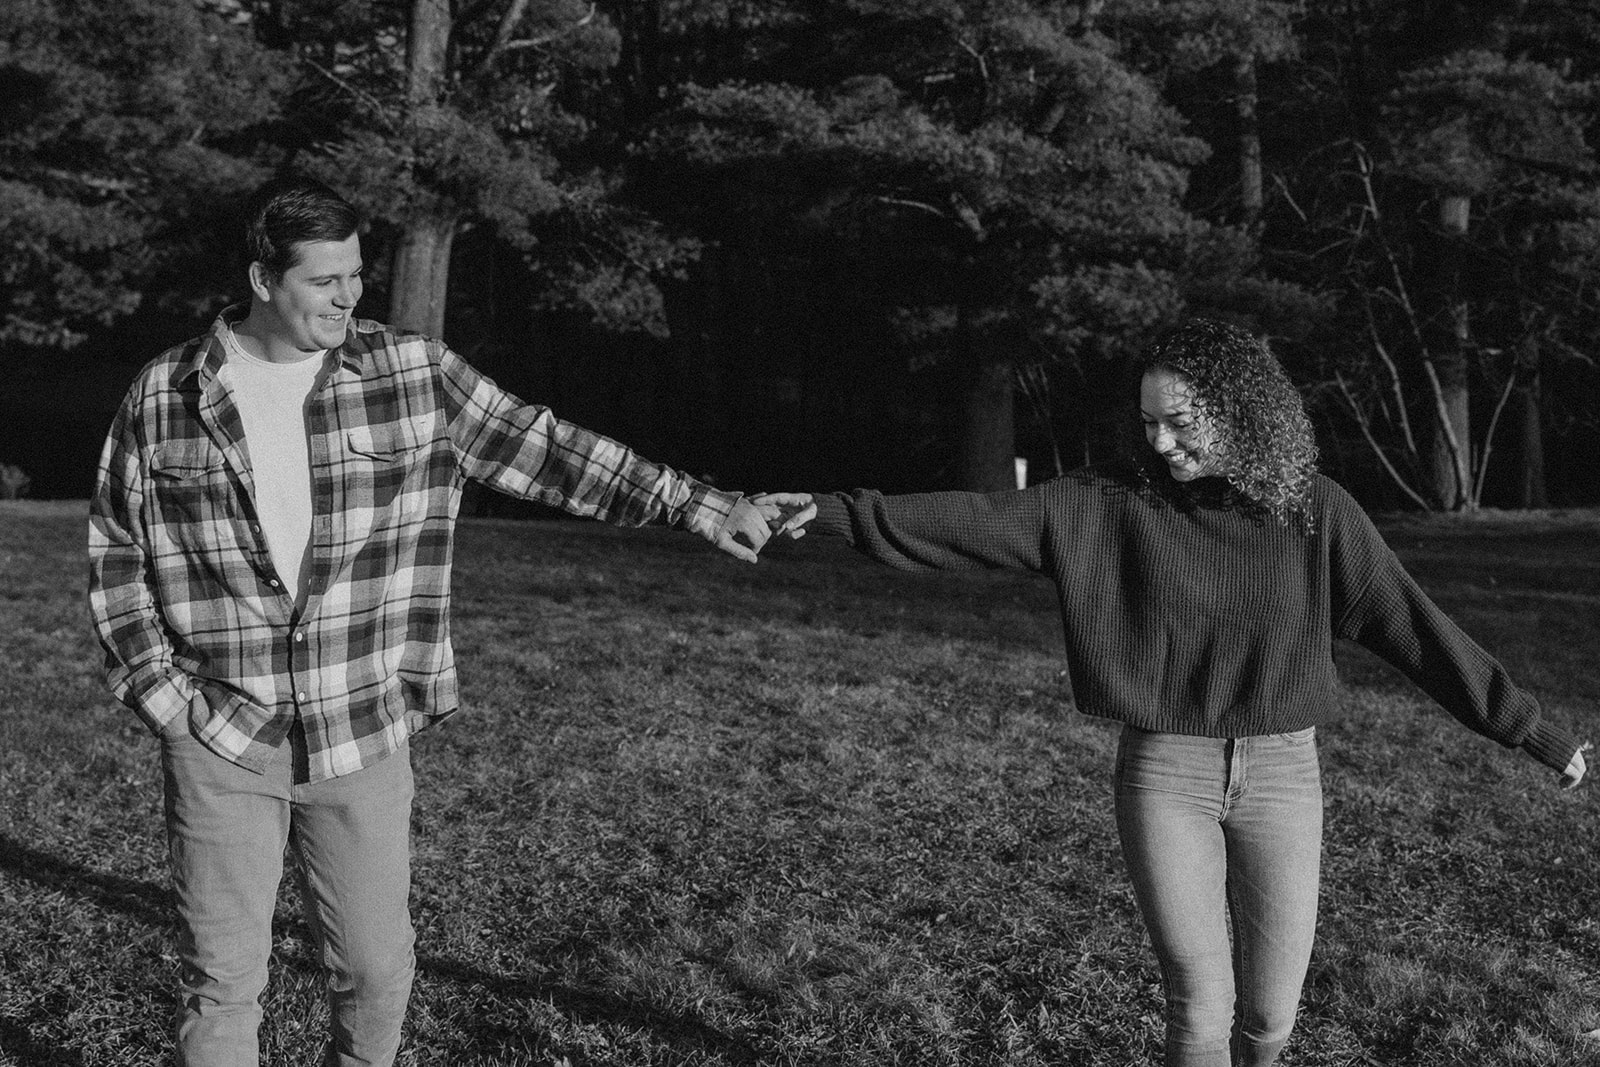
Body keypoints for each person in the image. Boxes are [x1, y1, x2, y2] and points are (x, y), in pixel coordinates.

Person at [86, 175, 799, 1067]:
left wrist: (698, 504)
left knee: (376, 971)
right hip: (224, 735)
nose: (349, 296)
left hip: (363, 727)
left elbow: (550, 449)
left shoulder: (411, 372)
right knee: (223, 982)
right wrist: (166, 697)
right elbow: (118, 549)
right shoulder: (165, 394)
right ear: (264, 280)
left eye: (356, 274)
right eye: (324, 280)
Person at [753, 318, 1589, 1067]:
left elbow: (1415, 627)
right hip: (1166, 774)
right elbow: (966, 521)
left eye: (1180, 423)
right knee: (1199, 1007)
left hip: (1282, 776)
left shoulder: (1312, 514)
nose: (1159, 442)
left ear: (1240, 412)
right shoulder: (1106, 504)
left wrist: (1530, 730)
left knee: (1268, 1017)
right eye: (1148, 422)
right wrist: (827, 513)